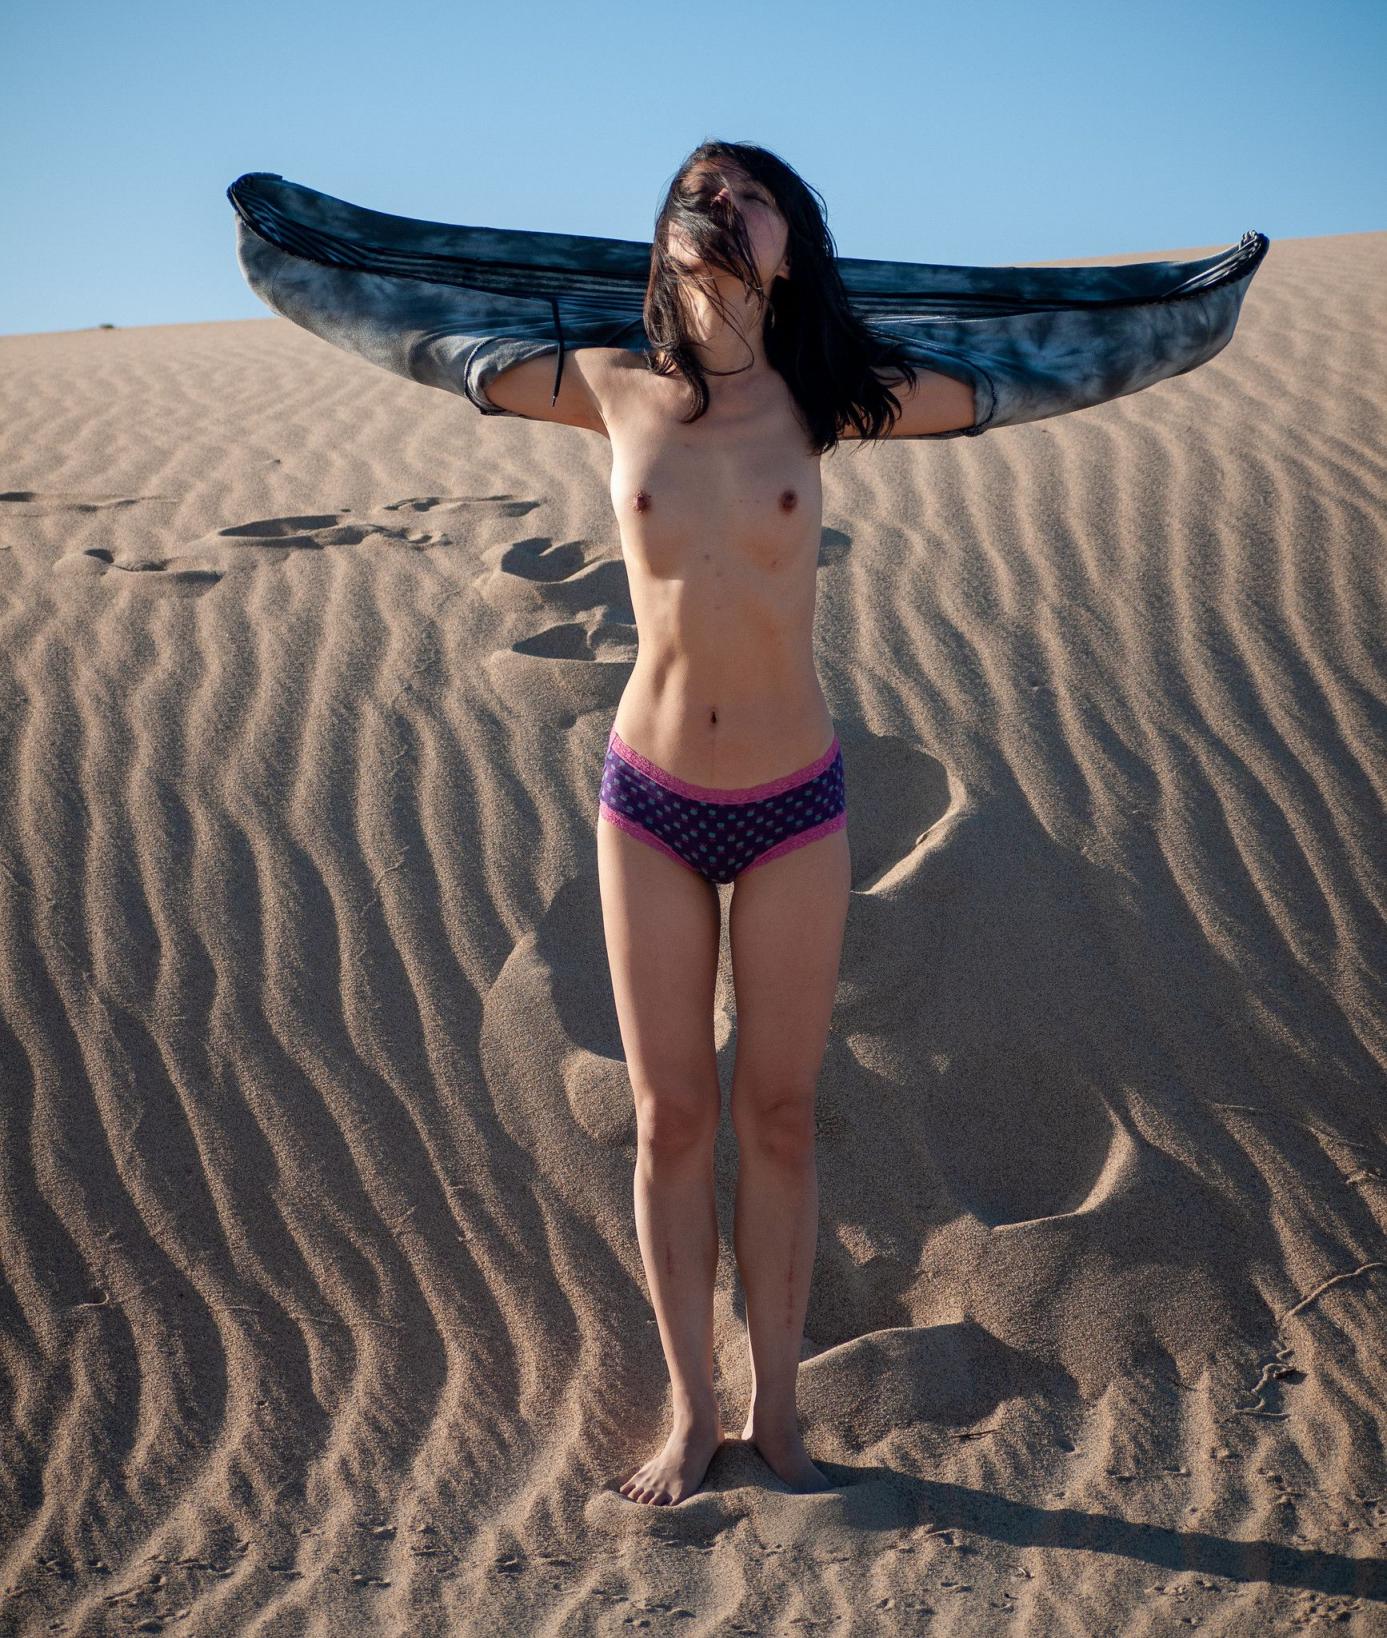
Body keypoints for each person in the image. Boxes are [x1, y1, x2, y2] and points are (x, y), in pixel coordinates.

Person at [484, 140, 977, 1506]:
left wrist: (1172, 319)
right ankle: (691, 1414)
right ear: (664, 237)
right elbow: (444, 347)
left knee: (781, 1113)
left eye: (752, 194)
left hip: (793, 803)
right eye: (699, 191)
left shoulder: (830, 397)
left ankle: (781, 1417)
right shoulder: (606, 382)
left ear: (790, 249)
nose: (722, 204)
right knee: (670, 1119)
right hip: (648, 799)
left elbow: (1011, 386)